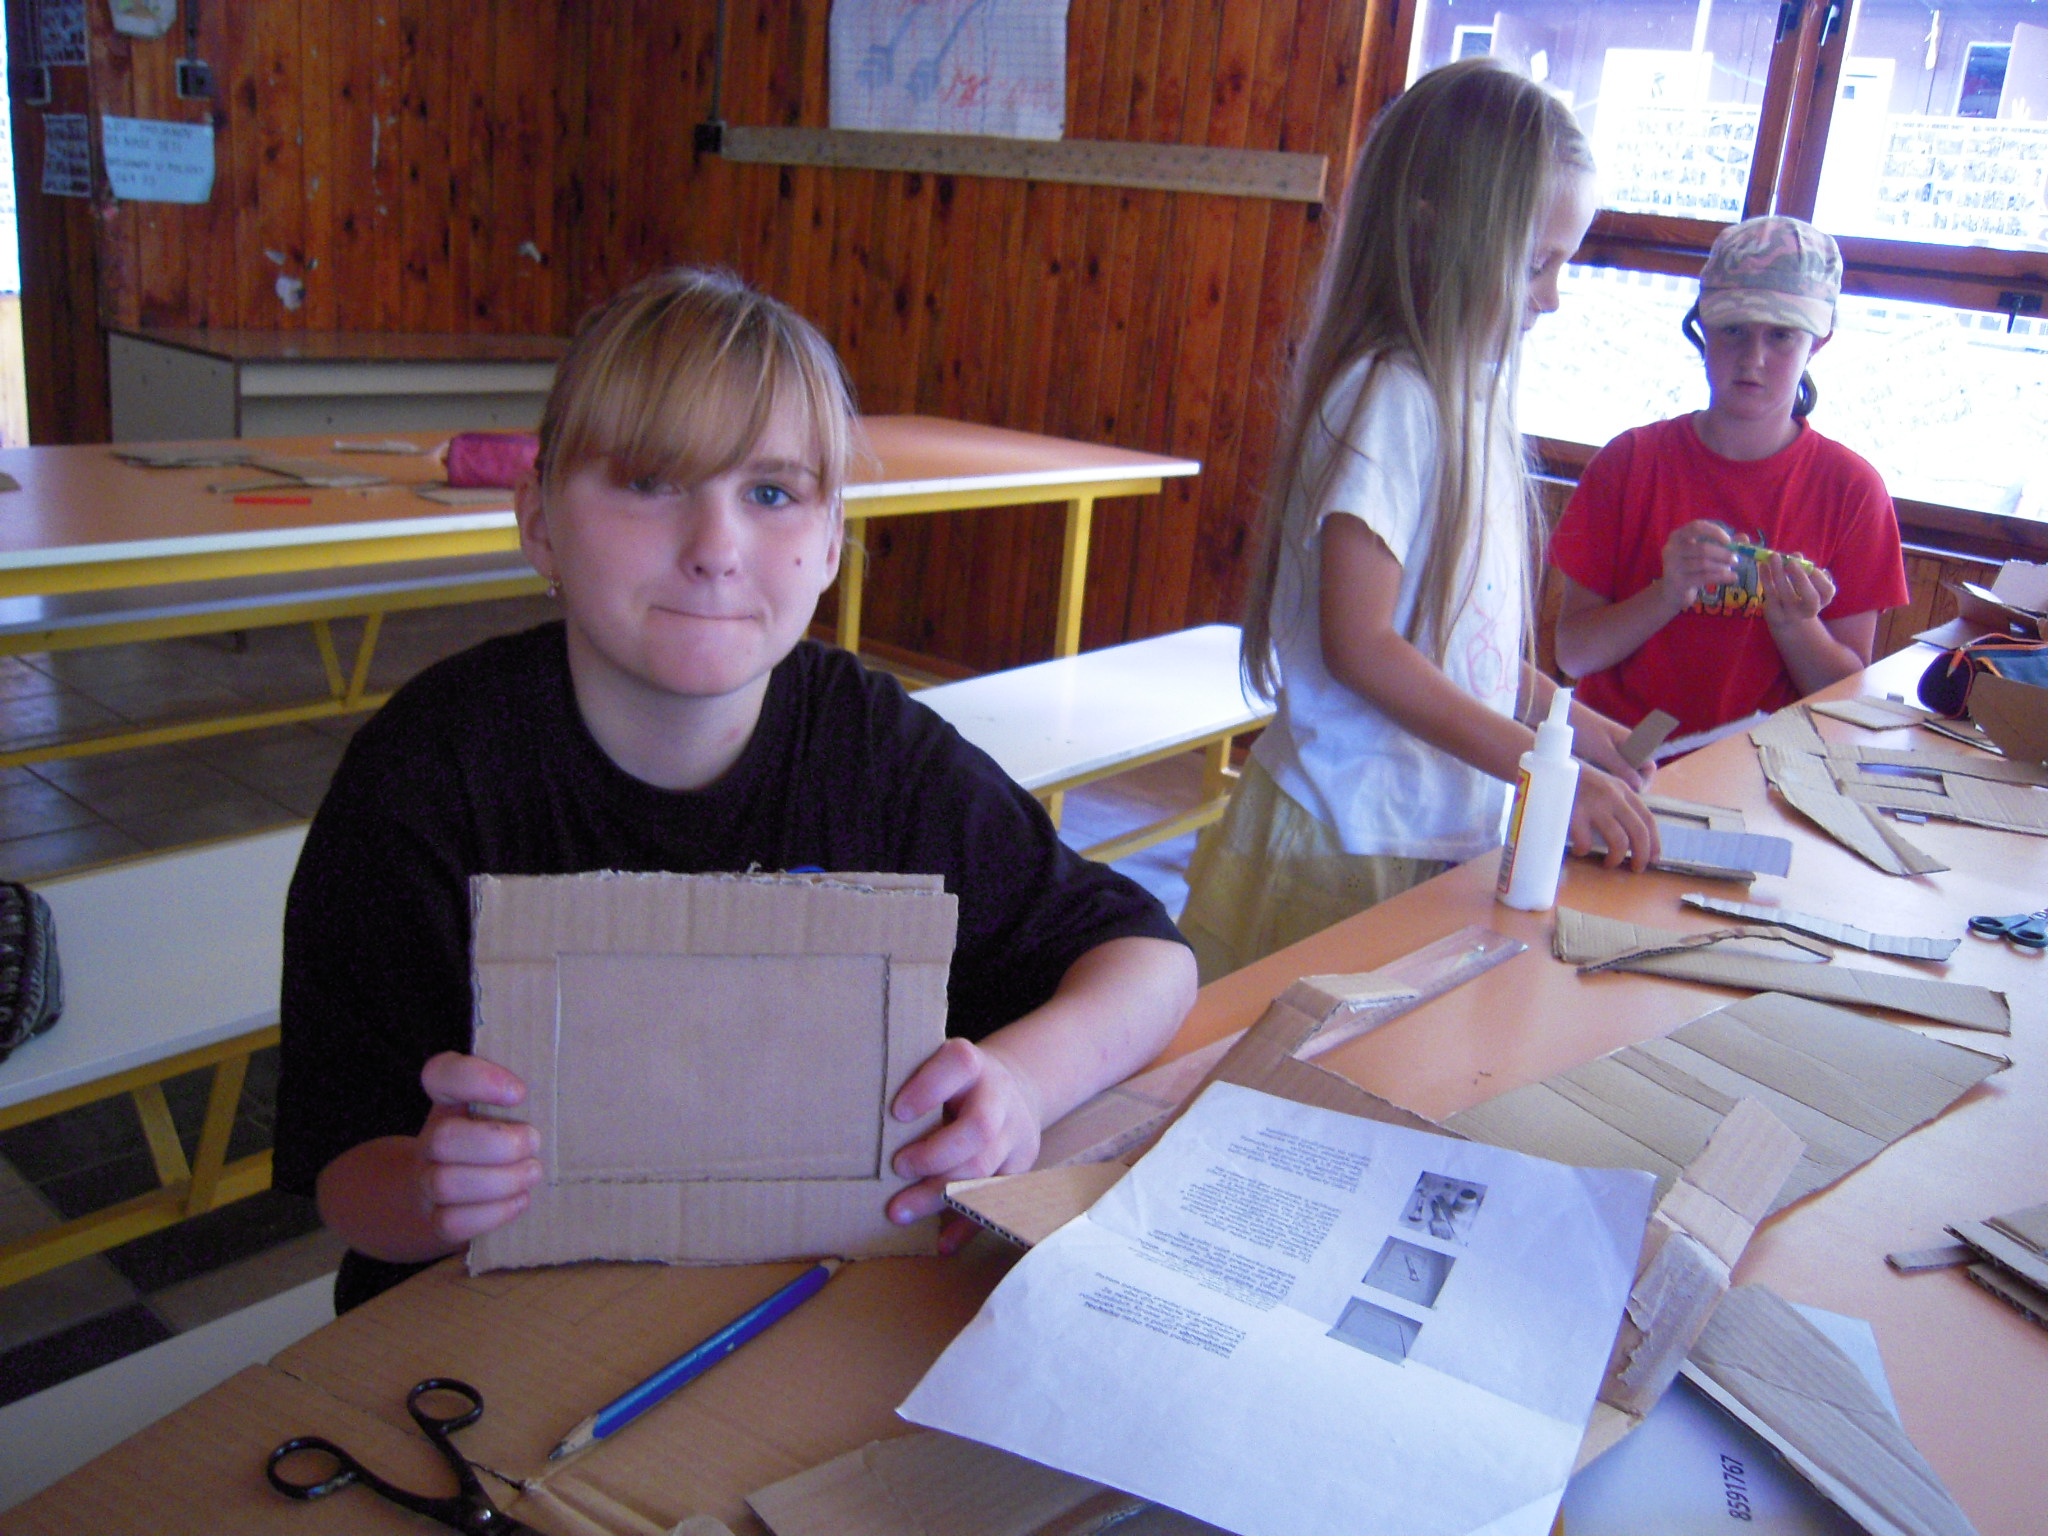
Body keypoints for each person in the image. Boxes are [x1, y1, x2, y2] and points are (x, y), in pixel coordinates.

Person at [273, 268, 1197, 1310]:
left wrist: (1021, 1084)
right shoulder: (425, 779)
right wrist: (430, 1190)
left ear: (831, 541)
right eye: (648, 481)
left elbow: (1149, 961)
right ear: (538, 522)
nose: (715, 550)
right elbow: (342, 1174)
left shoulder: (871, 749)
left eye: (770, 494)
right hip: (481, 1321)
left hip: (786, 1308)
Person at [1178, 59, 1658, 984]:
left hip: (1422, 834)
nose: (1553, 297)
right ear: (1437, 232)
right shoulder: (1391, 398)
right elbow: (1362, 646)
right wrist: (1541, 765)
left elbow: (1454, 639)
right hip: (1341, 839)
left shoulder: (1464, 397)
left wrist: (1563, 720)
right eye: (1536, 264)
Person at [1550, 216, 1908, 735]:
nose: (1753, 359)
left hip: (1763, 766)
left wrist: (1795, 625)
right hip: (1619, 753)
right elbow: (1573, 654)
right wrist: (1667, 593)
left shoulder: (1853, 491)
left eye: (1781, 335)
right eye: (1734, 329)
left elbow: (1845, 701)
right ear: (1703, 327)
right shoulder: (1628, 462)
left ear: (1818, 342)